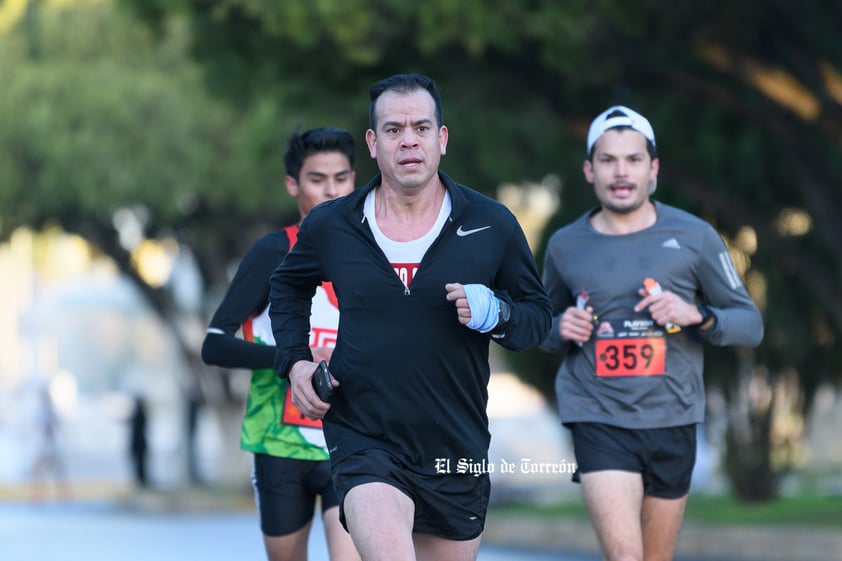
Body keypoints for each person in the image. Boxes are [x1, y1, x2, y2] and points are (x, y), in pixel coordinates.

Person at [268, 73, 552, 561]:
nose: (409, 141)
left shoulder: (490, 223)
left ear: (441, 139)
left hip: (455, 448)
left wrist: (495, 313)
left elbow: (538, 318)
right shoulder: (333, 224)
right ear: (374, 145)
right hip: (364, 438)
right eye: (394, 130)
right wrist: (295, 363)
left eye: (421, 127)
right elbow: (287, 286)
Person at [540, 105, 764, 561]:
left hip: (672, 418)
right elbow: (538, 327)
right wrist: (560, 326)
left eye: (633, 159)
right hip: (598, 416)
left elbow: (750, 324)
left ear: (653, 168)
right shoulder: (565, 244)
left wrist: (695, 314)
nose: (621, 172)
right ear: (589, 169)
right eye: (608, 160)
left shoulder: (694, 236)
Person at [201, 127, 360, 561]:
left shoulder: (374, 252)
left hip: (352, 442)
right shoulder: (273, 252)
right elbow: (214, 345)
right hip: (280, 446)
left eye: (342, 178)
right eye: (317, 179)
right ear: (293, 185)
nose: (332, 190)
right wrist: (295, 362)